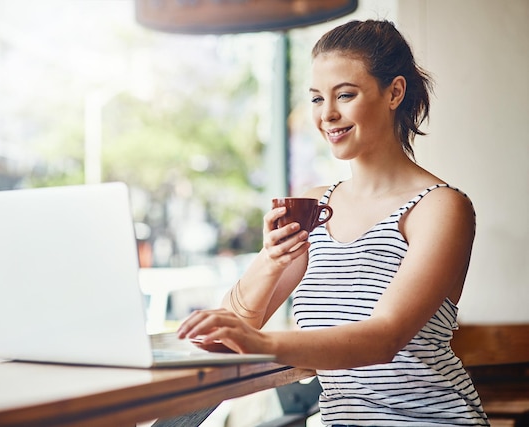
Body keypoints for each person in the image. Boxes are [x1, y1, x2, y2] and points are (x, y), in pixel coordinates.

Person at [177, 19, 489, 426]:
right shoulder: (312, 206)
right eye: (316, 98)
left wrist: (264, 343)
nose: (328, 114)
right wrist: (271, 262)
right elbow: (238, 323)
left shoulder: (440, 208)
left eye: (345, 94)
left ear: (394, 92)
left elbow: (385, 337)